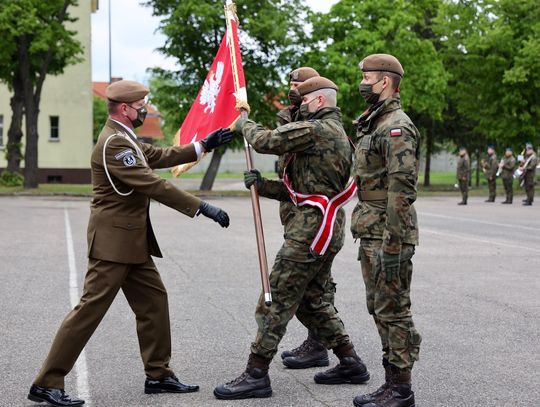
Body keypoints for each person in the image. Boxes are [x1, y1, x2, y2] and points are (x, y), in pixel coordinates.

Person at [28, 80, 232, 406]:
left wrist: (202, 145)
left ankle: (158, 375)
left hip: (131, 243)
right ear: (125, 108)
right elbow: (152, 183)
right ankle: (46, 382)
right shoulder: (114, 144)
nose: (145, 111)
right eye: (141, 106)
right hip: (112, 245)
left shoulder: (125, 138)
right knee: (88, 312)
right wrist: (201, 207)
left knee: (154, 302)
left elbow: (158, 155)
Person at [214, 76, 370, 400]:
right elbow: (305, 190)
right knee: (312, 301)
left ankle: (256, 373)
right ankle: (350, 362)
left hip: (310, 231)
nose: (301, 105)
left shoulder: (316, 129)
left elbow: (266, 140)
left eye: (305, 100)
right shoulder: (337, 133)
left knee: (277, 297)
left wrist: (244, 122)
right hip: (324, 226)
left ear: (320, 101)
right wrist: (264, 186)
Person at [351, 54, 421, 407]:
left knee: (394, 310)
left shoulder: (397, 126)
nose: (362, 83)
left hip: (388, 234)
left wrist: (393, 244)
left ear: (385, 81)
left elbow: (401, 190)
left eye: (367, 78)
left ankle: (401, 389)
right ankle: (391, 382)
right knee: (379, 307)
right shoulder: (373, 122)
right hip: (371, 228)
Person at [272, 67, 335, 370]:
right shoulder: (289, 116)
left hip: (315, 212)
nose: (293, 88)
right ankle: (325, 345)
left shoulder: (317, 122)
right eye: (292, 83)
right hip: (294, 206)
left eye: (300, 84)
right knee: (310, 284)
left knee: (313, 284)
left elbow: (275, 142)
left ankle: (319, 343)